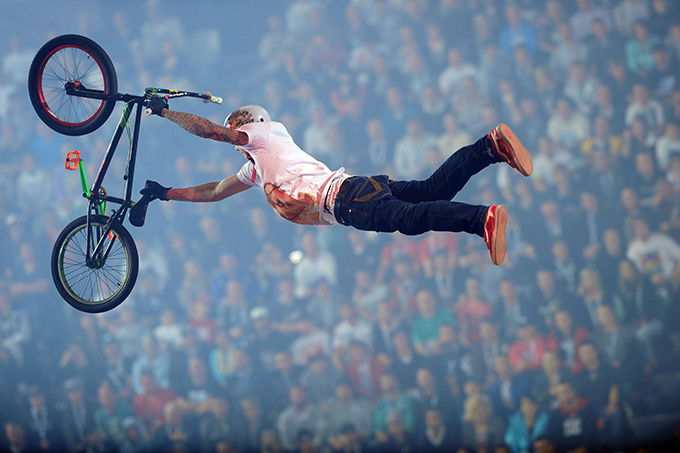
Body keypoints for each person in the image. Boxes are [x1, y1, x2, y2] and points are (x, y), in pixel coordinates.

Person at [132, 99, 534, 266]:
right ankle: (489, 146)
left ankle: (480, 219)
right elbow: (214, 192)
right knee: (432, 191)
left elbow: (211, 132)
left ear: (247, 123)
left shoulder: (265, 134)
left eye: (233, 128)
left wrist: (166, 113)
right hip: (354, 188)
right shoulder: (256, 168)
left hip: (343, 200)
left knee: (411, 220)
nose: (231, 137)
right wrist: (166, 193)